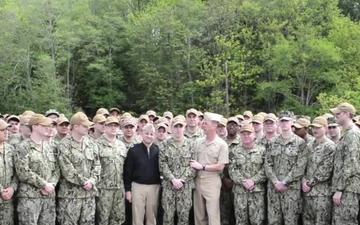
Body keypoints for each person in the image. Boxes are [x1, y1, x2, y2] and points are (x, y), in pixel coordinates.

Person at [15, 114, 60, 225]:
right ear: (34, 126)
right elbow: (23, 172)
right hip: (30, 198)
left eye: (48, 125)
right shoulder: (23, 147)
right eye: (44, 125)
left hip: (49, 197)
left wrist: (52, 184)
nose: (48, 128)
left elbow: (57, 169)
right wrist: (44, 184)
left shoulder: (49, 147)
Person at [57, 112, 101, 225]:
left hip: (89, 195)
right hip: (70, 196)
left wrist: (92, 180)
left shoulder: (91, 144)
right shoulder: (64, 145)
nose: (88, 128)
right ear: (75, 126)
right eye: (85, 126)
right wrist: (84, 182)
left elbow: (97, 165)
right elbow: (67, 170)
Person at [264, 111, 307, 225]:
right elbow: (267, 164)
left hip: (291, 189)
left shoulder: (300, 143)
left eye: (286, 121)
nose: (284, 123)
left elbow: (300, 166)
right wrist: (275, 182)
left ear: (292, 122)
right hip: (274, 188)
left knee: (291, 221)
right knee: (273, 221)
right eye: (282, 120)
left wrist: (285, 182)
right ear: (278, 122)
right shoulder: (272, 142)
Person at [190, 112, 229, 225]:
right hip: (198, 181)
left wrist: (202, 167)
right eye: (203, 123)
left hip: (212, 182)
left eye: (206, 123)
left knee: (213, 216)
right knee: (199, 215)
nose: (203, 125)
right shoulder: (198, 142)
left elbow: (221, 166)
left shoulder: (222, 145)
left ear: (214, 126)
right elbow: (193, 162)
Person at [159, 115, 196, 225]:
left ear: (185, 127)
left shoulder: (191, 144)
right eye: (176, 126)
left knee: (184, 218)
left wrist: (182, 180)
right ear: (171, 128)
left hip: (185, 187)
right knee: (168, 217)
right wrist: (173, 179)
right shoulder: (164, 145)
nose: (178, 129)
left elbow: (193, 166)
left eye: (181, 126)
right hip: (168, 187)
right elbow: (162, 165)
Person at [228, 123, 266, 225]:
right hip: (240, 192)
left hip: (257, 191)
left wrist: (253, 180)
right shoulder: (234, 151)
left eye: (248, 133)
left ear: (254, 135)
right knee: (240, 221)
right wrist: (243, 181)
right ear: (240, 135)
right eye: (243, 134)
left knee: (257, 221)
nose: (246, 136)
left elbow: (265, 169)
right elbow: (232, 170)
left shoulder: (262, 150)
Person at [124, 124, 161, 225]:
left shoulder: (158, 150)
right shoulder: (133, 150)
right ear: (141, 134)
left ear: (155, 135)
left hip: (154, 187)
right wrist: (128, 190)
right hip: (137, 186)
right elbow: (127, 171)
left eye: (151, 134)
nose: (149, 136)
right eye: (146, 133)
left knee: (152, 216)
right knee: (137, 215)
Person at [331, 103, 360, 225]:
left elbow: (351, 164)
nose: (335, 116)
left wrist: (339, 189)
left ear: (348, 114)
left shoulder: (352, 134)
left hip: (348, 189)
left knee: (345, 221)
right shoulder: (346, 133)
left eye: (338, 113)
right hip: (344, 188)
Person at [302, 116, 335, 225]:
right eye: (312, 127)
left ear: (325, 128)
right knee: (307, 221)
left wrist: (309, 183)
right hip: (307, 193)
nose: (314, 130)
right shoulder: (309, 145)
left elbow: (325, 170)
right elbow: (302, 166)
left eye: (318, 127)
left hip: (322, 194)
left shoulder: (330, 146)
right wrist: (303, 181)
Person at [96, 116, 127, 225]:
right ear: (105, 127)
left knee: (118, 219)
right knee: (103, 219)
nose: (113, 128)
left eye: (115, 125)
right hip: (103, 189)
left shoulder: (122, 145)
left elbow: (125, 168)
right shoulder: (97, 144)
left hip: (119, 188)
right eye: (110, 125)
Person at [0, 119, 18, 225]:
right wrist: (1, 190)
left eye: (7, 129)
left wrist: (12, 188)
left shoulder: (11, 149)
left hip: (8, 201)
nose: (7, 132)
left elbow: (17, 173)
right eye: (2, 130)